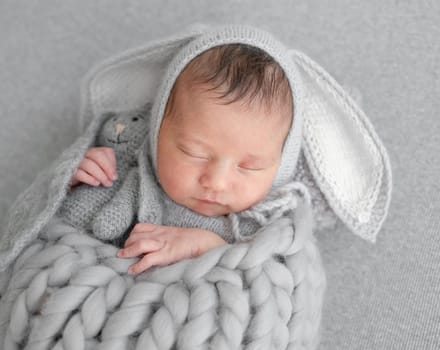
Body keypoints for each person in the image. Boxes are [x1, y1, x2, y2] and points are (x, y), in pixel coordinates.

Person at [70, 43, 294, 274]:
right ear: (157, 133)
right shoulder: (121, 171)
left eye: (250, 166)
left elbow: (276, 282)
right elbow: (53, 226)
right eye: (194, 153)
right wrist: (73, 181)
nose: (216, 182)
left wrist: (210, 248)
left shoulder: (267, 227)